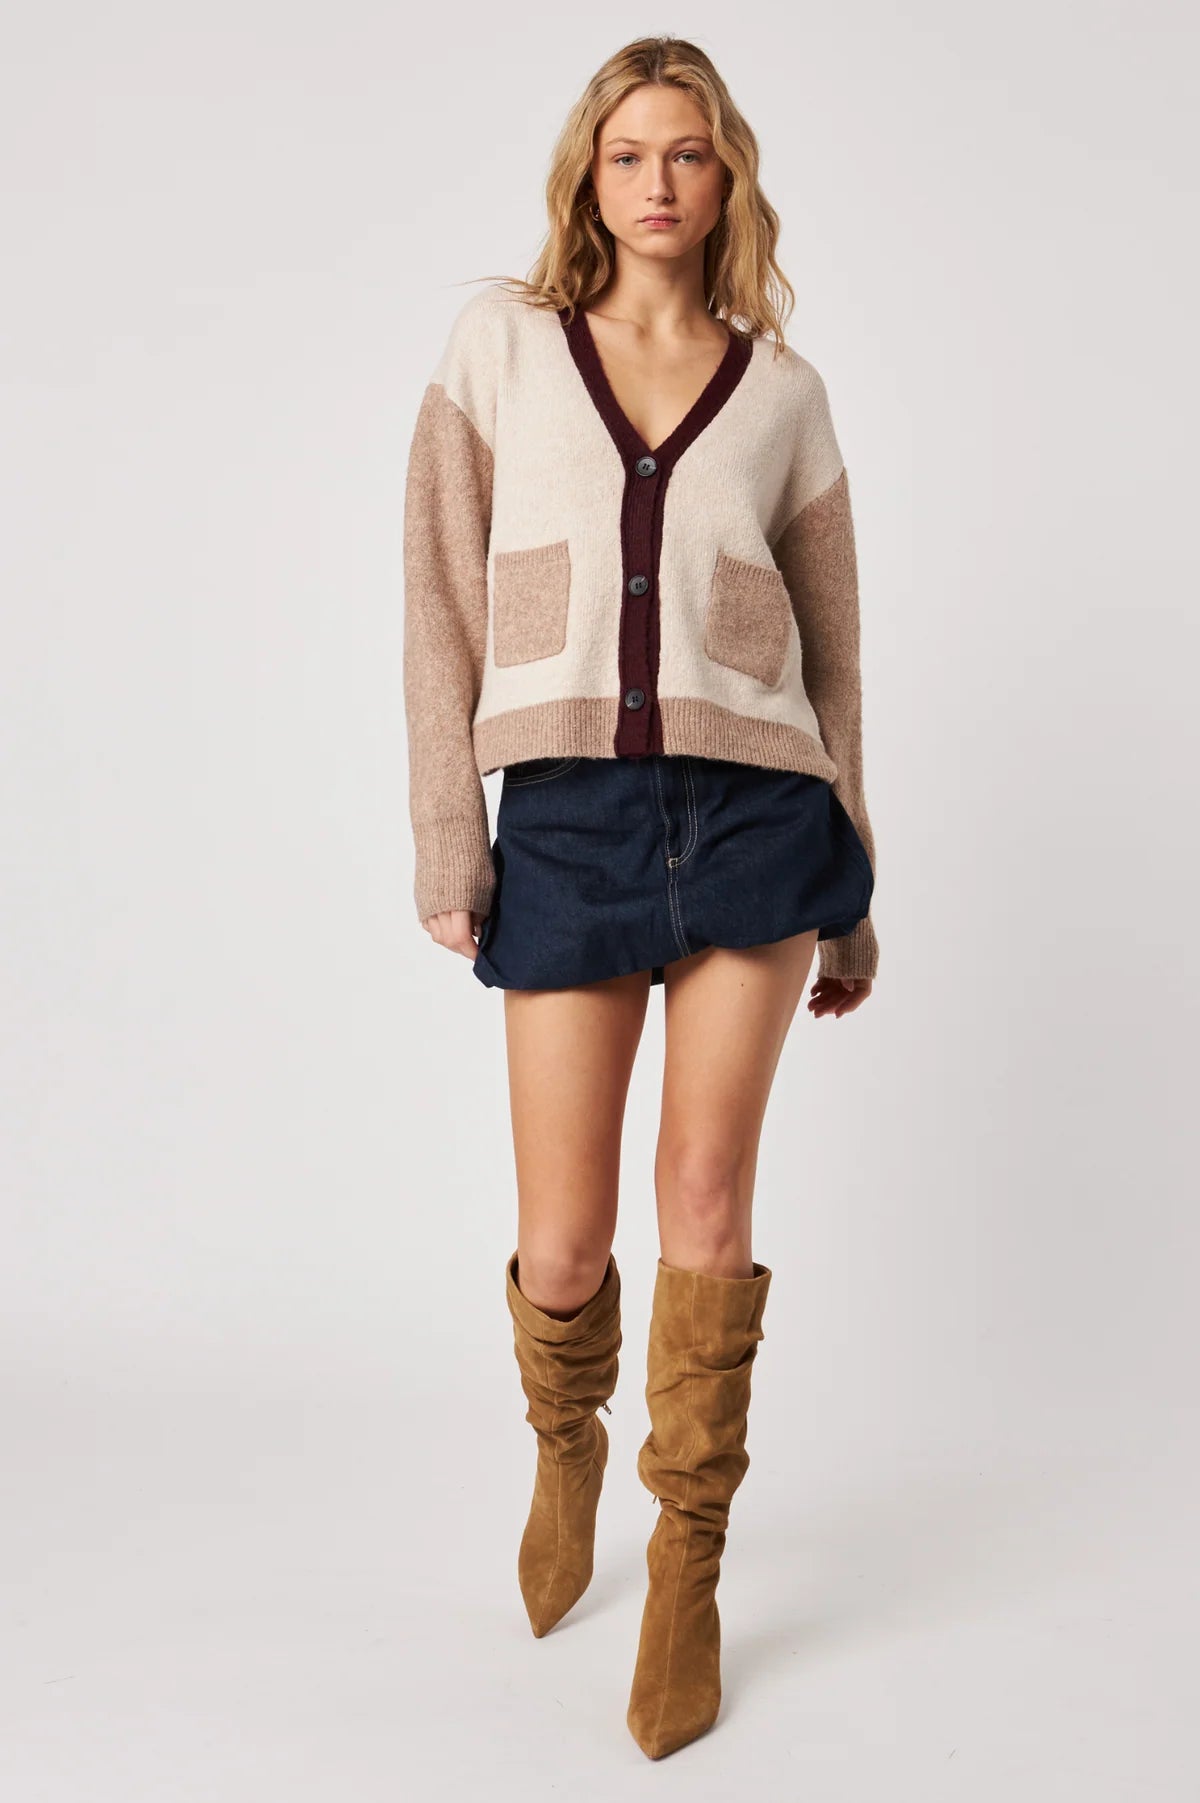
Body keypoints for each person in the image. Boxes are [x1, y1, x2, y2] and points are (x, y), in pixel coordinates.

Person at [402, 34, 880, 1760]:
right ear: (588, 178)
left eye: (686, 152)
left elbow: (834, 654)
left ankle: (689, 1556)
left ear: (725, 173)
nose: (658, 181)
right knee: (563, 1239)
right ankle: (566, 1448)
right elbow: (439, 598)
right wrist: (449, 838)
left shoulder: (786, 392)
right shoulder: (502, 346)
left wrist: (857, 881)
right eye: (627, 155)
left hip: (758, 814)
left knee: (704, 1192)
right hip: (572, 819)